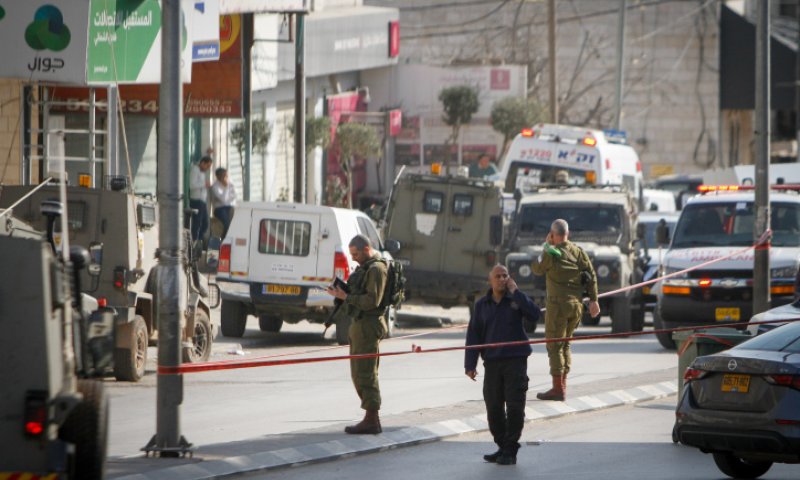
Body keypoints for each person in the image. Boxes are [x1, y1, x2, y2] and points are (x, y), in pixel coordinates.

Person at [465, 264, 541, 466]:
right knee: (493, 407)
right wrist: (470, 364)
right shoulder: (482, 305)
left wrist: (516, 292)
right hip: (492, 363)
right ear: (490, 280)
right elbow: (474, 334)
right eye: (497, 276)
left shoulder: (516, 300)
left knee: (515, 407)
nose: (501, 279)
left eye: (504, 276)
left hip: (515, 361)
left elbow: (534, 315)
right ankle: (502, 445)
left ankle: (510, 449)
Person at [531, 219, 600, 401]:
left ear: (553, 234)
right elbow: (591, 275)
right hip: (576, 306)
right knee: (566, 344)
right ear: (568, 234)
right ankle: (562, 385)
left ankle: (557, 389)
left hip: (558, 307)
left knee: (554, 345)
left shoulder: (551, 254)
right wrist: (594, 300)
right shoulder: (578, 252)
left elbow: (537, 268)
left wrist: (546, 245)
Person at [326, 234, 389, 435]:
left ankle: (372, 419)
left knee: (365, 373)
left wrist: (347, 296)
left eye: (355, 254)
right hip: (360, 324)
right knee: (359, 372)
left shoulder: (377, 269)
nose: (353, 258)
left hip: (368, 326)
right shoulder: (367, 268)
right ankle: (371, 418)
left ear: (366, 249)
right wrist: (341, 295)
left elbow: (373, 300)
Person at [189, 155, 213, 242]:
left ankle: (198, 240)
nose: (207, 168)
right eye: (207, 166)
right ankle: (195, 242)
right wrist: (204, 184)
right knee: (197, 223)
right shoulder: (195, 170)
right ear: (202, 163)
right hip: (196, 200)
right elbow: (191, 185)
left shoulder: (202, 172)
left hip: (202, 201)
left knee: (205, 224)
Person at [210, 167, 237, 238]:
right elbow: (223, 200)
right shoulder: (215, 186)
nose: (226, 177)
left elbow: (234, 195)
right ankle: (225, 239)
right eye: (224, 175)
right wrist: (225, 187)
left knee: (235, 221)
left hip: (230, 206)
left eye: (226, 175)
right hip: (219, 209)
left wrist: (227, 199)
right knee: (226, 224)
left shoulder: (230, 183)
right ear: (218, 176)